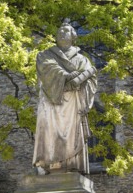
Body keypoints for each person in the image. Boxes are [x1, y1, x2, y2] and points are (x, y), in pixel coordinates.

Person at [32, 21, 97, 174]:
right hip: (52, 102)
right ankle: (50, 164)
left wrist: (80, 83)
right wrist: (66, 75)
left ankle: (71, 163)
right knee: (50, 132)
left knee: (71, 133)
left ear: (73, 37)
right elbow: (47, 67)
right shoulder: (46, 55)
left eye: (66, 31)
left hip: (73, 103)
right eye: (60, 31)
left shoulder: (82, 59)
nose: (62, 33)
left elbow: (91, 78)